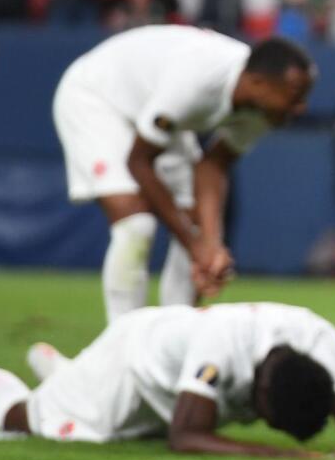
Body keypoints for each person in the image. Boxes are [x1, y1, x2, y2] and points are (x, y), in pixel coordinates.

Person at [0, 301, 335, 460]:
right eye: (267, 420)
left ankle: (63, 372)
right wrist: (286, 456)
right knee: (28, 421)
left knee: (168, 414)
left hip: (175, 376)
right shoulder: (222, 343)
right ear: (259, 395)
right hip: (132, 365)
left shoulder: (320, 337)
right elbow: (186, 434)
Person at [52, 26, 314, 322]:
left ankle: (178, 338)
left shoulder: (264, 108)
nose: (301, 107)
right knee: (136, 225)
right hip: (98, 99)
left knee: (199, 226)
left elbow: (214, 166)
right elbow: (139, 162)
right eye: (294, 95)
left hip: (156, 111)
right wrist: (195, 245)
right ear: (258, 82)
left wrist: (210, 246)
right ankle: (124, 346)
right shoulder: (197, 82)